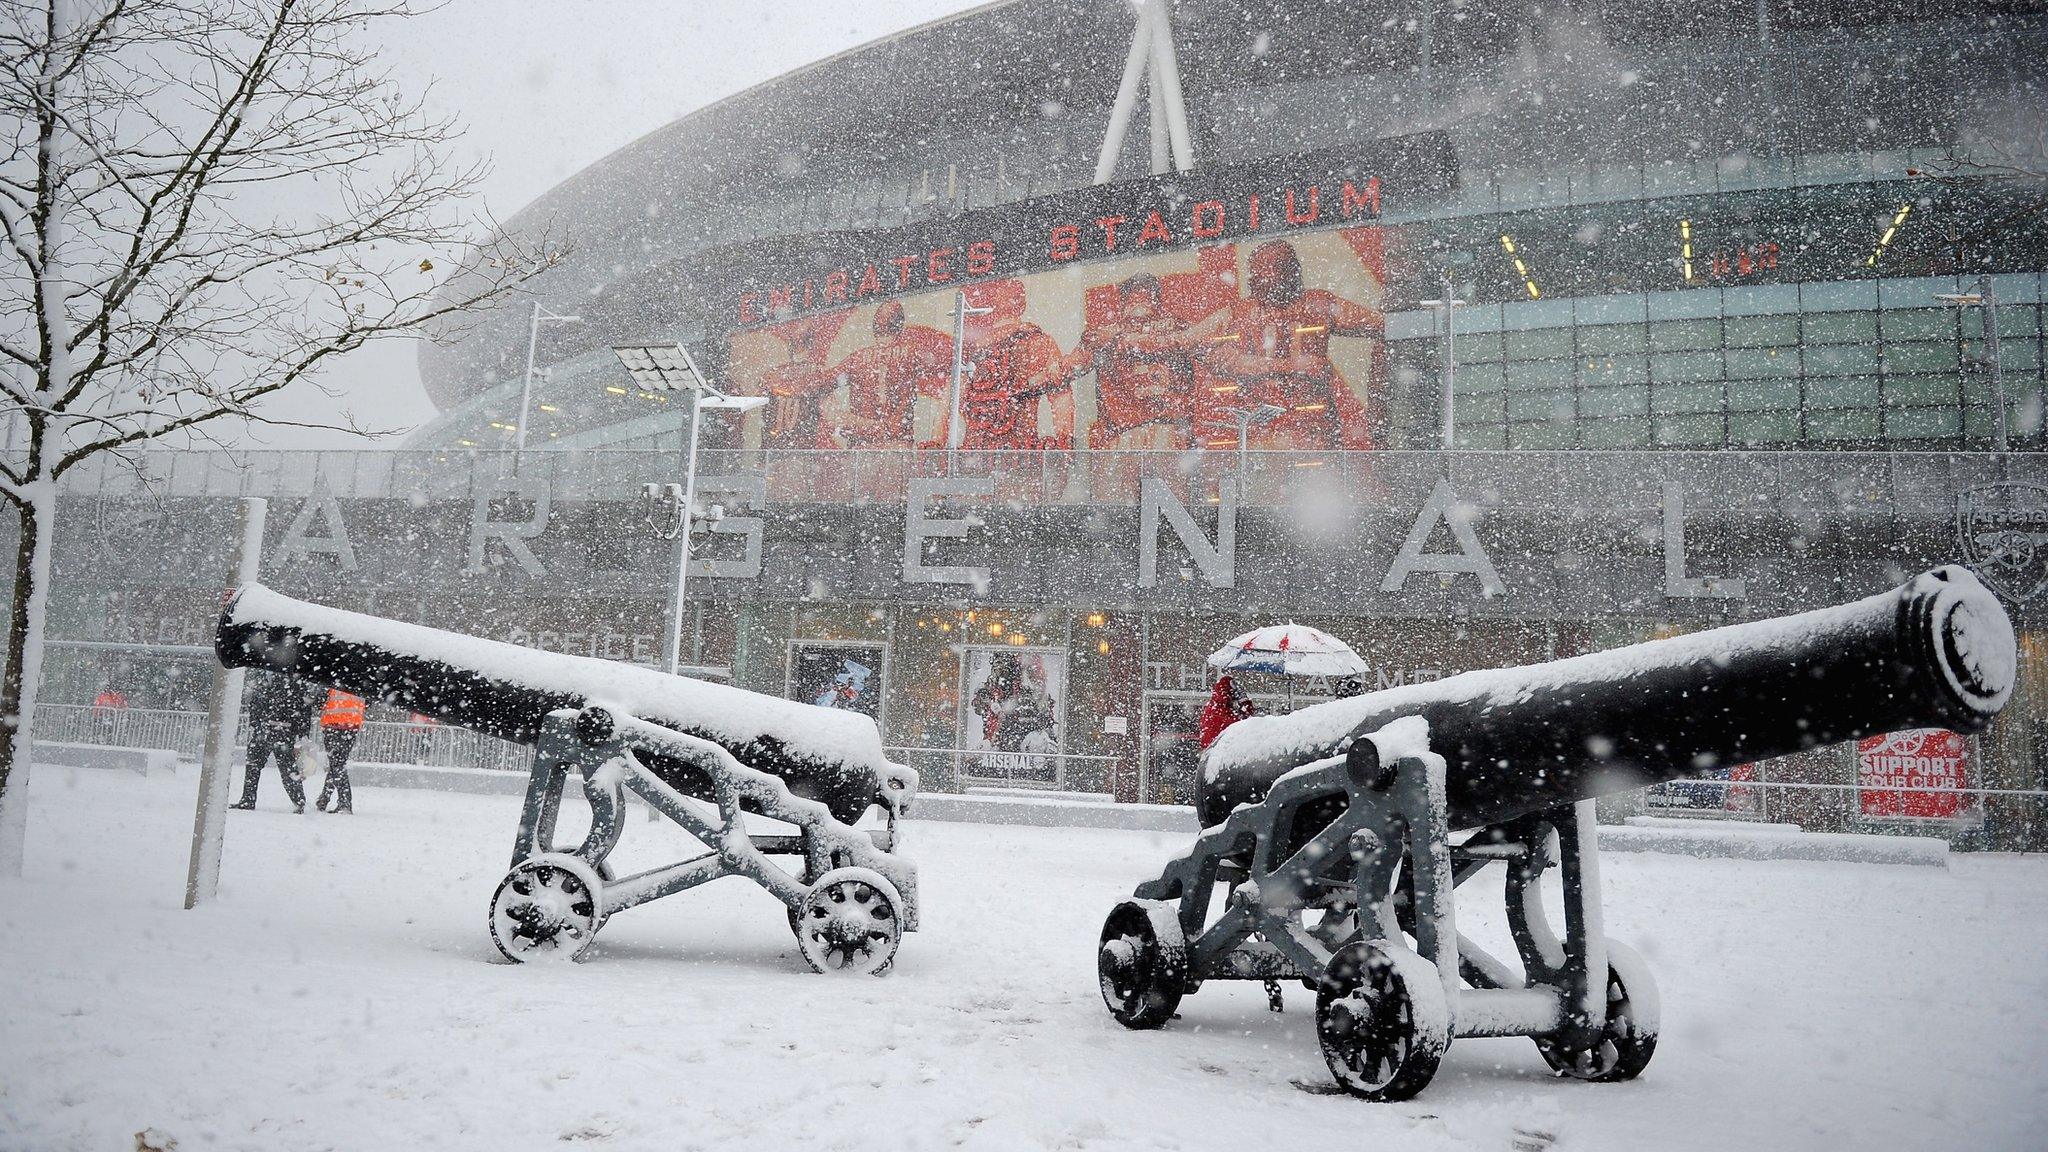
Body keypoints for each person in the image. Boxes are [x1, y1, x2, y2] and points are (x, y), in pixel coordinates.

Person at [1195, 239, 1385, 451]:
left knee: (1314, 480)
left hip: (1311, 427)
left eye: (1264, 270)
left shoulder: (1318, 304)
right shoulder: (1240, 313)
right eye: (1254, 270)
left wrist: (1379, 395)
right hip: (1263, 428)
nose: (1255, 277)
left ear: (1287, 272)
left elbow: (1382, 326)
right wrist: (1290, 366)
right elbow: (1213, 355)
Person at [231, 671, 317, 812]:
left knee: (260, 765)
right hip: (278, 731)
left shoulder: (267, 680)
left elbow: (302, 708)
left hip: (273, 730)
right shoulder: (291, 682)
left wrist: (258, 723)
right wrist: (301, 732)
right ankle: (299, 802)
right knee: (285, 768)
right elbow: (303, 709)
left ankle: (249, 799)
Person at [316, 688, 365, 814]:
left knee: (337, 765)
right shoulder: (361, 682)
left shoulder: (332, 681)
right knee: (337, 764)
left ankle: (345, 803)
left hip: (333, 725)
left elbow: (318, 702)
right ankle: (324, 798)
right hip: (351, 726)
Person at [1197, 674, 1257, 749]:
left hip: (1212, 752)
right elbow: (1243, 725)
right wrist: (1245, 702)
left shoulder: (1214, 706)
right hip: (1217, 752)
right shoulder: (1220, 710)